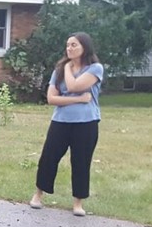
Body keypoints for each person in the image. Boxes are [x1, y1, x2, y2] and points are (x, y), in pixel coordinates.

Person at [29, 33, 104, 216]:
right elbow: (51, 98)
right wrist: (78, 99)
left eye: (74, 45)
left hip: (86, 123)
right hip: (60, 122)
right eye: (68, 45)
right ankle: (38, 195)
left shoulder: (95, 68)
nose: (69, 48)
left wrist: (69, 71)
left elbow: (74, 86)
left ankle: (78, 203)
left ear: (84, 47)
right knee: (48, 158)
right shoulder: (60, 70)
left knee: (81, 162)